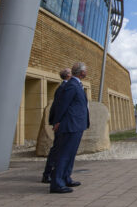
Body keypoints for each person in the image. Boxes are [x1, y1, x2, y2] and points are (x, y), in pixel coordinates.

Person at [49, 62, 90, 194]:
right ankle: (57, 183)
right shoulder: (71, 85)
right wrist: (57, 121)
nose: (87, 72)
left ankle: (66, 177)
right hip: (70, 125)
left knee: (70, 154)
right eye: (85, 70)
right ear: (81, 72)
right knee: (64, 154)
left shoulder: (76, 84)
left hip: (77, 125)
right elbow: (62, 105)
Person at [41, 67, 71, 184]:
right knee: (57, 149)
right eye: (70, 72)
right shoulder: (64, 88)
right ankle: (48, 174)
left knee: (59, 149)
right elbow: (59, 107)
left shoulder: (64, 87)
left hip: (62, 123)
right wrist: (57, 122)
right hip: (62, 124)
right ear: (68, 75)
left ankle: (56, 173)